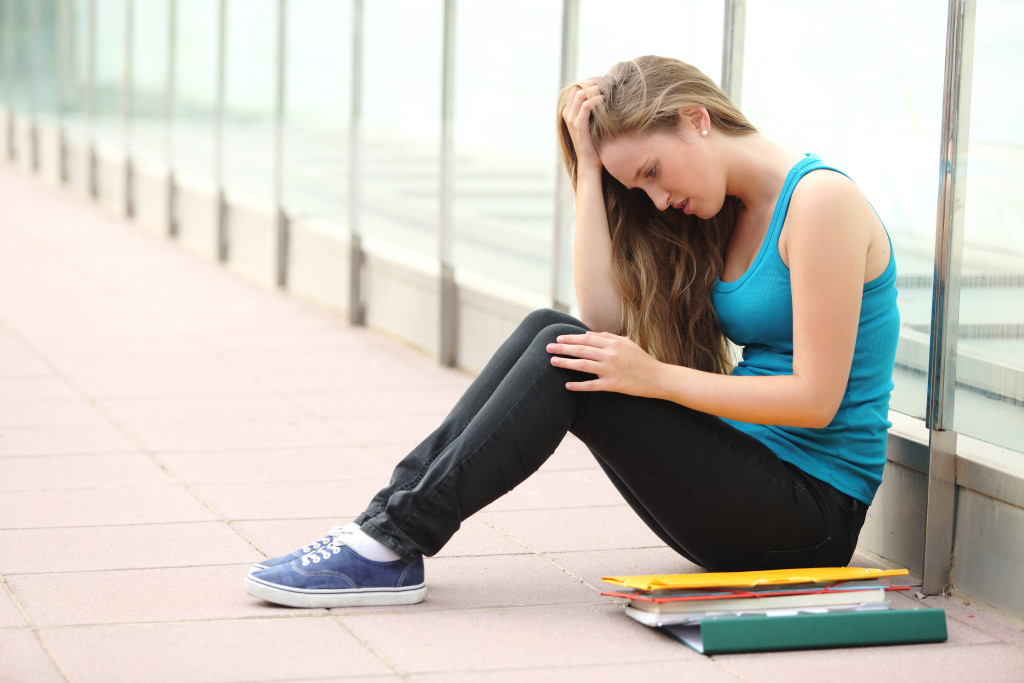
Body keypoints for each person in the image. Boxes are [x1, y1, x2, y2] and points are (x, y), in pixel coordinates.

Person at [243, 55, 899, 609]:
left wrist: (657, 378)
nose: (657, 199)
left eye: (651, 172)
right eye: (637, 186)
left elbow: (816, 398)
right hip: (747, 473)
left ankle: (388, 541)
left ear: (696, 120)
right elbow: (604, 318)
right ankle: (383, 530)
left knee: (568, 359)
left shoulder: (820, 205)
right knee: (551, 330)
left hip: (809, 513)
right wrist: (590, 170)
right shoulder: (724, 209)